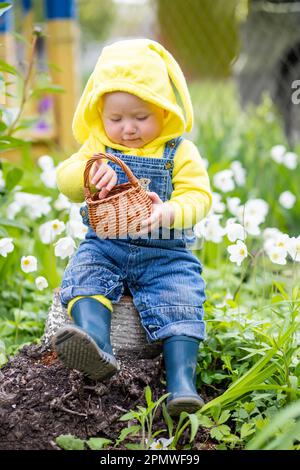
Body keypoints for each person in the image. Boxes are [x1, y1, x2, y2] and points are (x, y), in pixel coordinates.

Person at [53, 39, 212, 416]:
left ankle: (181, 386)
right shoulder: (97, 144)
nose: (127, 129)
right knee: (85, 274)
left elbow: (199, 197)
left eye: (140, 117)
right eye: (116, 118)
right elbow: (65, 178)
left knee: (182, 296)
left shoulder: (178, 151)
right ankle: (94, 343)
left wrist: (171, 211)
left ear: (163, 109)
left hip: (164, 252)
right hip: (105, 244)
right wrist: (89, 173)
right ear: (100, 114)